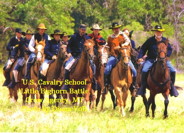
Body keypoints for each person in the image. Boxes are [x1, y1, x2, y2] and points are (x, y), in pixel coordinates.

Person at [136, 25, 179, 97]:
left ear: (162, 32)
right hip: (151, 59)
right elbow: (143, 49)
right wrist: (139, 57)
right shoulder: (150, 40)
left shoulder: (165, 40)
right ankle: (143, 87)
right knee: (144, 69)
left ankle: (172, 87)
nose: (158, 33)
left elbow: (170, 49)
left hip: (163, 60)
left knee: (172, 70)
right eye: (157, 31)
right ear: (155, 32)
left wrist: (166, 55)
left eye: (160, 31)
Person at [103, 22, 137, 93]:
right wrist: (106, 47)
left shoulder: (123, 35)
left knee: (134, 70)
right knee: (107, 70)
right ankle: (107, 85)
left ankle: (134, 86)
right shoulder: (110, 37)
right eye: (115, 29)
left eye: (117, 28)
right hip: (114, 56)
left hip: (124, 56)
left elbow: (128, 42)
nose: (116, 30)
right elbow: (107, 46)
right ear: (113, 30)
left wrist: (121, 46)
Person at [62, 24, 91, 90]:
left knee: (93, 66)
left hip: (85, 58)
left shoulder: (87, 38)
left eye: (84, 30)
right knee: (67, 67)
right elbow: (69, 46)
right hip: (75, 56)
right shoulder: (74, 37)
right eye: (82, 29)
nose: (83, 31)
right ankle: (66, 84)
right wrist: (69, 52)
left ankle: (94, 81)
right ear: (79, 29)